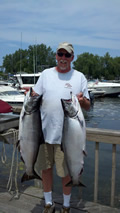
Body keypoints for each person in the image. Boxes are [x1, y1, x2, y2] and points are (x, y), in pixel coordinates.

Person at [32, 42, 90, 213]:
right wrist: (30, 96)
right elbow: (35, 97)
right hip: (42, 133)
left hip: (67, 138)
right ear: (56, 55)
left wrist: (82, 101)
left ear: (72, 57)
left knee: (66, 172)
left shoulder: (79, 77)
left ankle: (65, 205)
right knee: (45, 169)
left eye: (67, 55)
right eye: (60, 54)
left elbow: (87, 106)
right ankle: (49, 203)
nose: (63, 58)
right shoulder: (45, 74)